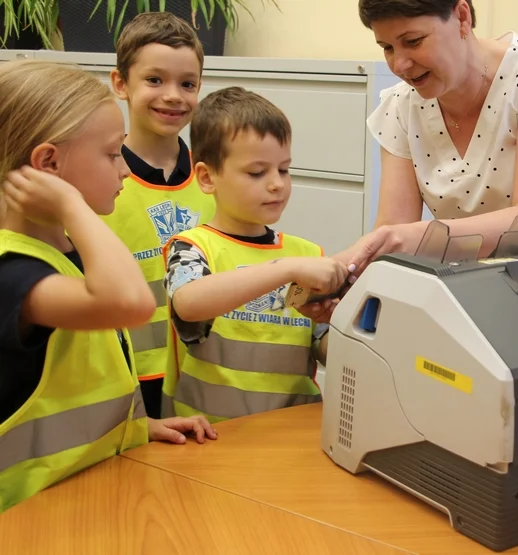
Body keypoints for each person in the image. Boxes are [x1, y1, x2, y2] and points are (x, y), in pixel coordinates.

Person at [0, 60, 216, 512]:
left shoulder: (70, 255)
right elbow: (130, 303)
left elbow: (79, 392)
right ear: (48, 163)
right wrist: (68, 202)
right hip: (27, 517)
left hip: (89, 498)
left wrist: (135, 428)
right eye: (112, 153)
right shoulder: (13, 272)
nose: (123, 169)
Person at [338, 0, 518, 284]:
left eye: (413, 41)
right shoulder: (400, 105)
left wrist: (415, 236)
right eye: (388, 48)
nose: (400, 64)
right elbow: (393, 228)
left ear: (462, 17)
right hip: (472, 287)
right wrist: (342, 274)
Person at [160, 87, 350, 423]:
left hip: (293, 432)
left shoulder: (307, 253)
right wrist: (284, 269)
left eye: (285, 169)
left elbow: (321, 346)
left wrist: (343, 327)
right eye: (257, 172)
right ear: (206, 177)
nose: (277, 184)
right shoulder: (191, 248)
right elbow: (189, 304)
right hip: (211, 437)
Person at [101, 12, 216, 419]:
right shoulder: (98, 181)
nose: (173, 96)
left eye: (187, 84)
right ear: (120, 84)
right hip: (126, 380)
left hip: (203, 377)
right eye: (154, 80)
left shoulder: (215, 178)